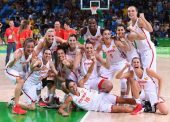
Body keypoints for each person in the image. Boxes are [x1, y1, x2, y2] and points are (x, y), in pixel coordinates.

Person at [5, 38, 35, 114]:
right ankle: (15, 107)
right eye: (28, 46)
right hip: (10, 70)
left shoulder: (31, 54)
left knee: (22, 88)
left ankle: (13, 101)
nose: (30, 49)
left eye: (32, 47)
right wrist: (14, 60)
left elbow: (27, 64)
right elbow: (11, 65)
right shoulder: (19, 52)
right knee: (20, 81)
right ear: (24, 46)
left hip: (19, 72)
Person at [127, 6, 156, 71]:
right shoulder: (129, 23)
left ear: (136, 12)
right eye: (129, 11)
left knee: (148, 72)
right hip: (140, 51)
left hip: (148, 50)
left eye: (132, 11)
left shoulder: (139, 21)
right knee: (142, 73)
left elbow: (150, 30)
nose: (130, 12)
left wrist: (143, 18)